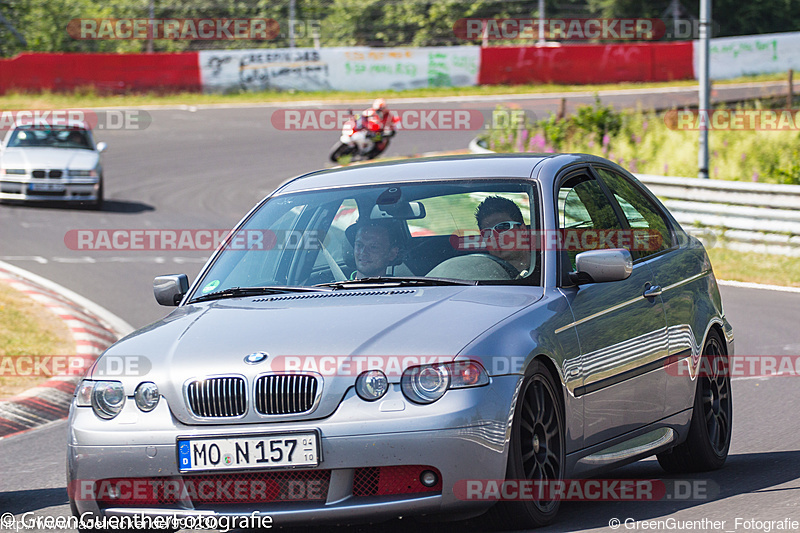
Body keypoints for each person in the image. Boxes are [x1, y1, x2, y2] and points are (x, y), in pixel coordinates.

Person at [474, 195, 531, 277]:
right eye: (487, 232)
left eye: (503, 227)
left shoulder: (549, 265)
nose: (494, 236)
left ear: (523, 230)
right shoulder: (482, 276)